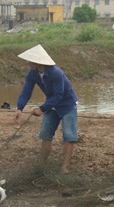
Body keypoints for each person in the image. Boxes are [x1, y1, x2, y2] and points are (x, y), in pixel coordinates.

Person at [13, 44, 79, 174]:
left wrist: (41, 109)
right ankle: (42, 165)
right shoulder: (32, 74)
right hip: (51, 104)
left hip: (67, 104)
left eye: (31, 61)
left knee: (69, 135)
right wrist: (20, 107)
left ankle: (64, 167)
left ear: (39, 62)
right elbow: (26, 91)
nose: (28, 63)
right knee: (45, 134)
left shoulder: (56, 73)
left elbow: (59, 95)